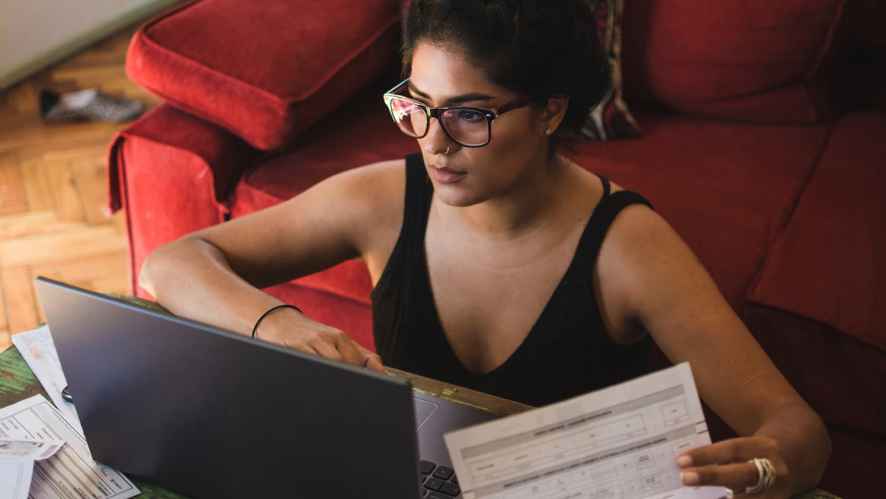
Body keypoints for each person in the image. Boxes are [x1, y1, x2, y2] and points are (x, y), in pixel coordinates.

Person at [140, 1, 830, 496]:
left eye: (470, 113)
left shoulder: (625, 246)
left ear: (551, 112)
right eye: (418, 103)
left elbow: (796, 426)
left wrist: (771, 463)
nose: (433, 142)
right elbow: (170, 264)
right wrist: (280, 323)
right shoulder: (385, 199)